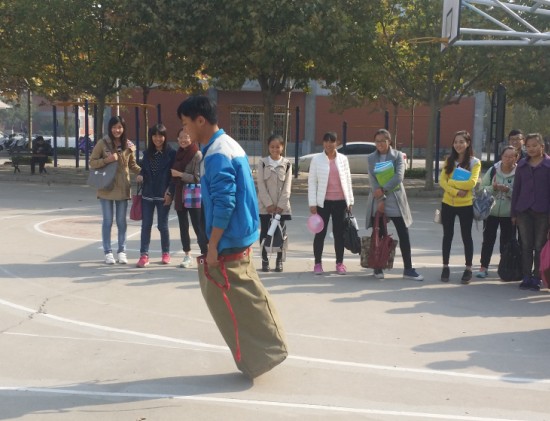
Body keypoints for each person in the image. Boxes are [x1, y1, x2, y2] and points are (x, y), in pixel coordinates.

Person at [177, 95, 287, 378]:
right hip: (241, 232)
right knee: (245, 297)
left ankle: (261, 357)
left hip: (229, 237)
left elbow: (224, 203)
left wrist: (213, 245)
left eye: (186, 123)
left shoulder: (216, 154)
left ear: (200, 120)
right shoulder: (227, 144)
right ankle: (263, 354)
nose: (185, 129)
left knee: (235, 303)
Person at [365, 129, 423, 281]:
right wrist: (380, 199)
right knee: (378, 234)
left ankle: (408, 269)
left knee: (403, 233)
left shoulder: (398, 156)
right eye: (377, 141)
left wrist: (384, 190)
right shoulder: (371, 158)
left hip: (395, 199)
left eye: (383, 141)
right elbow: (372, 180)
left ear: (389, 141)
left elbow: (399, 176)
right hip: (378, 200)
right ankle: (378, 267)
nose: (379, 144)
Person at [90, 116, 141, 265]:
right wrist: (107, 160)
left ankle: (122, 251)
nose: (117, 130)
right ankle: (108, 252)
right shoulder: (102, 143)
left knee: (121, 221)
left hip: (123, 188)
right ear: (110, 128)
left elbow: (132, 165)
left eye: (119, 127)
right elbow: (92, 162)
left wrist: (144, 172)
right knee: (107, 221)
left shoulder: (129, 145)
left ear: (123, 128)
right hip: (106, 186)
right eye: (114, 127)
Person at [308, 131, 354, 275]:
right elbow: (312, 182)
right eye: (326, 141)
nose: (328, 144)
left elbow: (348, 179)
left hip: (340, 202)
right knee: (320, 234)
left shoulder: (343, 159)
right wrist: (312, 203)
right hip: (323, 203)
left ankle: (339, 263)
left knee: (339, 234)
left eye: (332, 141)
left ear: (337, 143)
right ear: (323, 143)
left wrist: (350, 200)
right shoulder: (316, 159)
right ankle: (317, 264)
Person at [439, 130, 481, 284]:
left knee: (466, 236)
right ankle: (445, 267)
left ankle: (468, 268)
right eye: (456, 142)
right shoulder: (449, 160)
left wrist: (451, 182)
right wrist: (455, 190)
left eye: (461, 142)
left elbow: (472, 183)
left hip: (466, 204)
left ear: (468, 143)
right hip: (448, 203)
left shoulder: (475, 162)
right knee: (447, 236)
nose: (458, 145)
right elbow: (442, 181)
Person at [511, 133, 550, 291]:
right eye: (528, 146)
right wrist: (513, 213)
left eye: (535, 145)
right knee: (526, 245)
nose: (531, 149)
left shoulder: (548, 165)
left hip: (543, 211)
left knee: (539, 246)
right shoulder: (521, 165)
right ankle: (526, 276)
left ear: (542, 146)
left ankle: (537, 277)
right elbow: (516, 190)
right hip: (523, 210)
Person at [135, 124, 176, 268]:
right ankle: (144, 255)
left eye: (160, 135)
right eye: (154, 135)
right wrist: (141, 175)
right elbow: (144, 170)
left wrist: (170, 192)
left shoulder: (171, 154)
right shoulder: (147, 153)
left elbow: (174, 176)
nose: (157, 138)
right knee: (146, 225)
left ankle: (166, 253)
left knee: (162, 225)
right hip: (147, 194)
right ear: (151, 137)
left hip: (163, 194)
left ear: (165, 137)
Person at [475, 146, 518, 278]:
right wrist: (493, 188)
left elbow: (521, 194)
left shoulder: (519, 173)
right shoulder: (493, 170)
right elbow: (481, 189)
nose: (508, 159)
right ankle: (483, 267)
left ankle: (504, 267)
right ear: (501, 157)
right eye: (506, 156)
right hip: (491, 212)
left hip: (509, 214)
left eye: (511, 156)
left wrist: (508, 191)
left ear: (516, 158)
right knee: (488, 240)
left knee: (506, 242)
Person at [170, 126, 208, 268]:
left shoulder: (197, 154)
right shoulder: (178, 153)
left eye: (186, 137)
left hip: (193, 193)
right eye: (181, 137)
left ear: (191, 138)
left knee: (198, 225)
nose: (183, 140)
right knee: (183, 226)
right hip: (180, 193)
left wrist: (179, 174)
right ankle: (187, 255)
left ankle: (205, 253)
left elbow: (197, 178)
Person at [257, 134, 292, 272]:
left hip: (281, 208)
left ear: (282, 147)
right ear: (268, 147)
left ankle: (279, 261)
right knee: (265, 233)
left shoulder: (287, 164)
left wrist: (280, 206)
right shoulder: (262, 163)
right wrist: (269, 204)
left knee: (280, 233)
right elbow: (260, 185)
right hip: (265, 207)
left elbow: (287, 187)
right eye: (272, 147)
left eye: (278, 147)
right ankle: (264, 260)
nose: (275, 149)